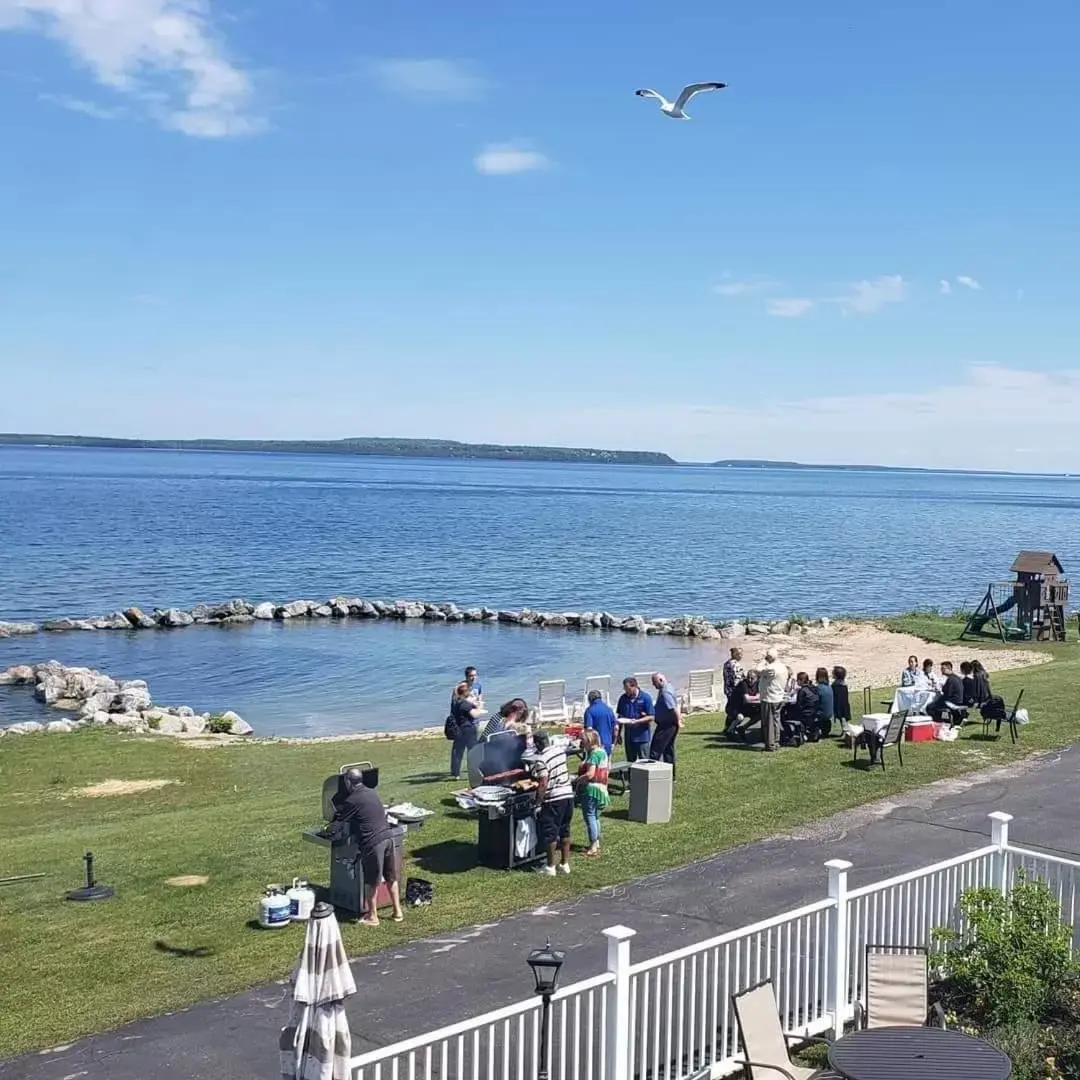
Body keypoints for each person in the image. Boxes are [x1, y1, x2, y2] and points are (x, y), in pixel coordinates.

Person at [332, 768, 403, 926]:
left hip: (373, 842)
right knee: (391, 877)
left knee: (371, 880)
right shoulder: (371, 792)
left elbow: (339, 822)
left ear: (348, 782)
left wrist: (329, 829)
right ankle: (397, 912)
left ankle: (372, 917)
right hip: (388, 837)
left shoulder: (352, 800)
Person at [532, 730, 574, 876]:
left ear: (537, 743)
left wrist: (538, 803)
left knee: (551, 832)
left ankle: (550, 867)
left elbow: (543, 783)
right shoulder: (560, 752)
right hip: (568, 795)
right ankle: (564, 864)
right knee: (565, 830)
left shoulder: (541, 760)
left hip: (554, 799)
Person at [576, 729, 610, 857]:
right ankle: (597, 843)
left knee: (589, 816)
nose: (582, 743)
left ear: (589, 741)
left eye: (583, 741)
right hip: (601, 787)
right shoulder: (602, 752)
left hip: (592, 789)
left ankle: (593, 845)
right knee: (595, 816)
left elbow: (590, 774)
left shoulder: (593, 755)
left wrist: (577, 780)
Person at [448, 682, 485, 780]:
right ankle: (474, 770)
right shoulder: (465, 704)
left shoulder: (456, 702)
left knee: (457, 751)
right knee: (472, 751)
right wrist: (480, 706)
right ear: (466, 693)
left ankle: (455, 773)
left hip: (459, 730)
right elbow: (474, 715)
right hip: (468, 729)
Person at [649, 673, 683, 775]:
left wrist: (679, 720)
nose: (653, 685)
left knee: (655, 750)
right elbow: (676, 704)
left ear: (660, 680)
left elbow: (673, 707)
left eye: (654, 683)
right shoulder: (669, 686)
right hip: (670, 724)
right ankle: (671, 775)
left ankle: (653, 774)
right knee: (668, 749)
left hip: (666, 726)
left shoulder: (665, 692)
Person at [615, 676, 654, 761]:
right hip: (629, 736)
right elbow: (620, 717)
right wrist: (618, 734)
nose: (626, 691)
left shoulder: (645, 698)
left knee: (644, 761)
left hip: (642, 737)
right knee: (630, 761)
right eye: (624, 689)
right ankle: (630, 774)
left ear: (634, 686)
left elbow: (651, 716)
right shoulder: (623, 698)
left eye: (627, 689)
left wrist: (637, 721)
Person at [758, 650, 788, 752]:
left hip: (770, 698)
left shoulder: (771, 668)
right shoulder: (782, 666)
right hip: (778, 697)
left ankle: (770, 744)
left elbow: (758, 671)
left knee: (768, 722)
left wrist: (763, 660)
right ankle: (776, 741)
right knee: (775, 721)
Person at [724, 668, 760, 738]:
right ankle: (729, 731)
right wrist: (757, 698)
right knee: (740, 717)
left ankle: (743, 727)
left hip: (746, 706)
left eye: (752, 678)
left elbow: (759, 695)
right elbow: (746, 699)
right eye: (748, 677)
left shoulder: (757, 684)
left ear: (756, 678)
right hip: (735, 707)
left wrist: (756, 697)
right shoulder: (743, 684)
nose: (750, 680)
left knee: (760, 714)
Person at [583, 689, 617, 756]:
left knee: (595, 765)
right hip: (608, 743)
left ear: (590, 699)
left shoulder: (589, 710)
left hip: (596, 746)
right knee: (607, 764)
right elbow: (615, 729)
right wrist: (613, 742)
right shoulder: (609, 709)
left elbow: (589, 729)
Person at [787, 672, 819, 743]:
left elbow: (799, 705)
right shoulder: (813, 688)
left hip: (805, 714)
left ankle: (789, 735)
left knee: (785, 715)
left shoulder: (802, 690)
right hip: (814, 712)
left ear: (800, 680)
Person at [814, 667, 834, 739]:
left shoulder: (818, 688)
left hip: (821, 714)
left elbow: (814, 701)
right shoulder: (829, 687)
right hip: (829, 713)